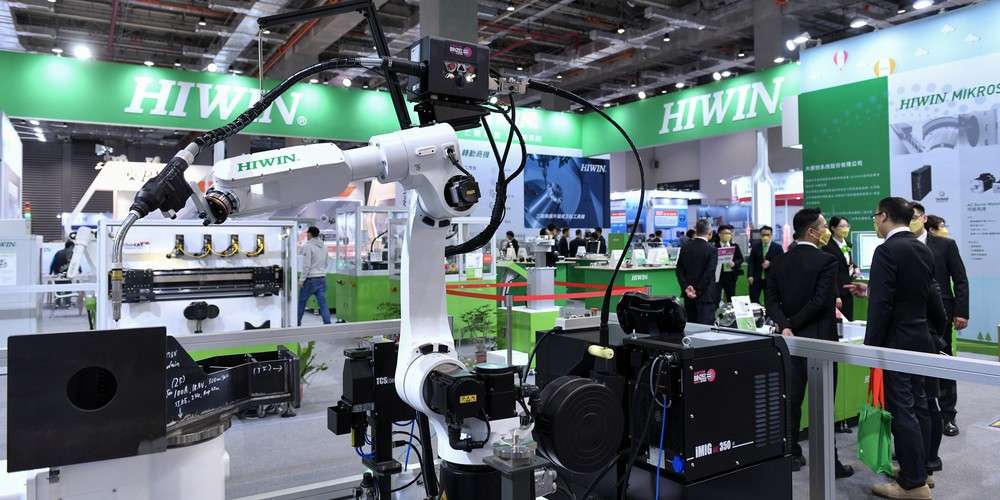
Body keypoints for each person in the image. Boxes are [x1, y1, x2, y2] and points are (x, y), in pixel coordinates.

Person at [864, 197, 947, 500]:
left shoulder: (886, 250)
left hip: (896, 341)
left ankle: (912, 485)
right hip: (919, 337)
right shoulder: (922, 248)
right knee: (920, 405)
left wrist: (870, 347)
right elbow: (929, 295)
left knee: (903, 410)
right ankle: (920, 470)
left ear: (885, 216)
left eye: (876, 216)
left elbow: (881, 304)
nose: (875, 222)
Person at [764, 208, 854, 479]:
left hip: (789, 342)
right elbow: (819, 302)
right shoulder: (827, 261)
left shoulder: (779, 261)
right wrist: (793, 323)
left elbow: (771, 300)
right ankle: (829, 461)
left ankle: (791, 453)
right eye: (824, 226)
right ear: (812, 232)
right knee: (823, 403)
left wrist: (786, 324)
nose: (828, 230)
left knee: (791, 399)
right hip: (820, 341)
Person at [912, 204, 968, 438]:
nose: (911, 220)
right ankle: (921, 413)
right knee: (914, 366)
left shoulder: (945, 245)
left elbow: (960, 280)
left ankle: (948, 415)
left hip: (942, 314)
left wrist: (961, 312)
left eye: (915, 216)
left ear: (924, 218)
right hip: (912, 316)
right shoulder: (901, 245)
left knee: (943, 362)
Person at [675, 219, 718, 325]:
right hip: (705, 296)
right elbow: (708, 274)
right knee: (705, 329)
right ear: (709, 232)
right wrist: (697, 291)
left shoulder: (685, 248)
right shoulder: (712, 249)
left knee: (691, 326)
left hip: (688, 295)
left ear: (696, 231)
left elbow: (679, 270)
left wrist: (686, 287)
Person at [823, 216, 859, 321]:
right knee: (837, 321)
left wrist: (855, 267)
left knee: (849, 319)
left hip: (848, 288)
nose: (845, 229)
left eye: (847, 226)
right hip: (836, 290)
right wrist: (836, 295)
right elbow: (830, 273)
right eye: (842, 226)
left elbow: (846, 260)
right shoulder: (828, 247)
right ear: (833, 228)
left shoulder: (847, 244)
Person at [298, 226, 332, 326]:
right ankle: (327, 323)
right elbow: (326, 262)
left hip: (310, 280)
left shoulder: (308, 246)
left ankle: (297, 322)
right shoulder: (324, 246)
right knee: (323, 303)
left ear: (310, 234)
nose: (307, 235)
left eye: (307, 233)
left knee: (302, 302)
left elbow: (306, 265)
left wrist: (301, 280)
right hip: (322, 279)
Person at [747, 225, 783, 305]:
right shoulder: (755, 246)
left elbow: (782, 262)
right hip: (756, 278)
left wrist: (771, 263)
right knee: (753, 299)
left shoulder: (778, 247)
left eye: (767, 235)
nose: (765, 237)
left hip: (770, 279)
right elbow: (751, 262)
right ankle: (758, 311)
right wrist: (750, 275)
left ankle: (767, 312)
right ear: (760, 235)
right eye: (763, 235)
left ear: (771, 235)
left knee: (769, 301)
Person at [714, 224, 744, 303]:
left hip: (731, 276)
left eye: (729, 233)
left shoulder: (735, 246)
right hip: (718, 277)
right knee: (716, 298)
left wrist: (735, 263)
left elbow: (741, 259)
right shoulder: (714, 247)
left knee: (731, 298)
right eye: (725, 233)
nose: (727, 235)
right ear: (719, 234)